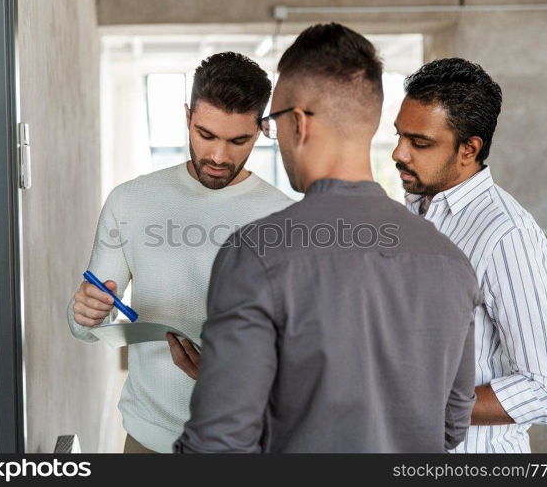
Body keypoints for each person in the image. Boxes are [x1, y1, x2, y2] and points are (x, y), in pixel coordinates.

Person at [175, 23, 482, 453]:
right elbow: (450, 427)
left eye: (272, 122)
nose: (274, 136)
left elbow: (217, 448)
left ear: (298, 123)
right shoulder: (452, 263)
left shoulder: (256, 254)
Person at [66, 52, 294, 453]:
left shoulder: (284, 218)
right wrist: (85, 312)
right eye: (206, 135)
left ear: (260, 129)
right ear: (188, 116)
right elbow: (87, 326)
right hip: (148, 439)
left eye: (237, 140)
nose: (219, 157)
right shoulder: (131, 201)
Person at [393, 57, 547, 452]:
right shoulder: (414, 208)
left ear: (469, 149)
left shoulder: (506, 235)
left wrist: (423, 404)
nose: (399, 153)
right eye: (399, 136)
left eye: (419, 143)